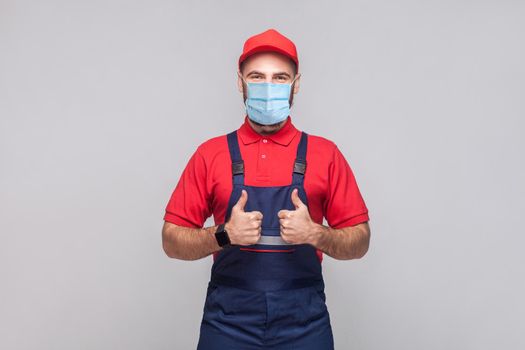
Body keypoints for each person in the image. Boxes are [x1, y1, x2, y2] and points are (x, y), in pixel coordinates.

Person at [162, 28, 371, 350]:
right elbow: (171, 241)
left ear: (296, 84)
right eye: (257, 77)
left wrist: (316, 233)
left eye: (280, 77)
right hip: (228, 322)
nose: (268, 88)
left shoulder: (326, 153)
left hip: (304, 321)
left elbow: (360, 242)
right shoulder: (210, 153)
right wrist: (223, 235)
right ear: (240, 82)